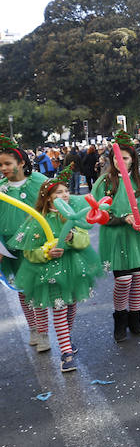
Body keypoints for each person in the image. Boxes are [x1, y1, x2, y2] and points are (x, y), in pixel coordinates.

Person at [8, 167, 103, 372]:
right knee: (59, 309)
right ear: (49, 198)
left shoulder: (72, 216)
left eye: (66, 191)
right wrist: (46, 253)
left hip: (73, 269)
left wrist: (72, 238)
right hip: (49, 273)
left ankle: (65, 338)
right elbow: (29, 252)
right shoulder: (37, 221)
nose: (65, 195)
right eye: (58, 193)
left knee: (71, 307)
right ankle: (66, 353)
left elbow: (84, 239)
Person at [92, 131, 140, 342]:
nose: (119, 161)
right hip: (116, 236)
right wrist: (123, 218)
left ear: (133, 159)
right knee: (123, 280)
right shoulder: (105, 183)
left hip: (137, 236)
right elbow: (100, 214)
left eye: (124, 158)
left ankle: (135, 319)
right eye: (116, 157)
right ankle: (120, 320)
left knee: (137, 278)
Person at [0, 135, 49, 350]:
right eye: (0, 164)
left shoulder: (38, 182)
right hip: (10, 247)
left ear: (21, 163)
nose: (3, 168)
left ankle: (43, 331)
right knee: (22, 289)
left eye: (7, 163)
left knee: (37, 287)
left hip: (36, 245)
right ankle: (33, 328)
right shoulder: (1, 187)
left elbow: (53, 208)